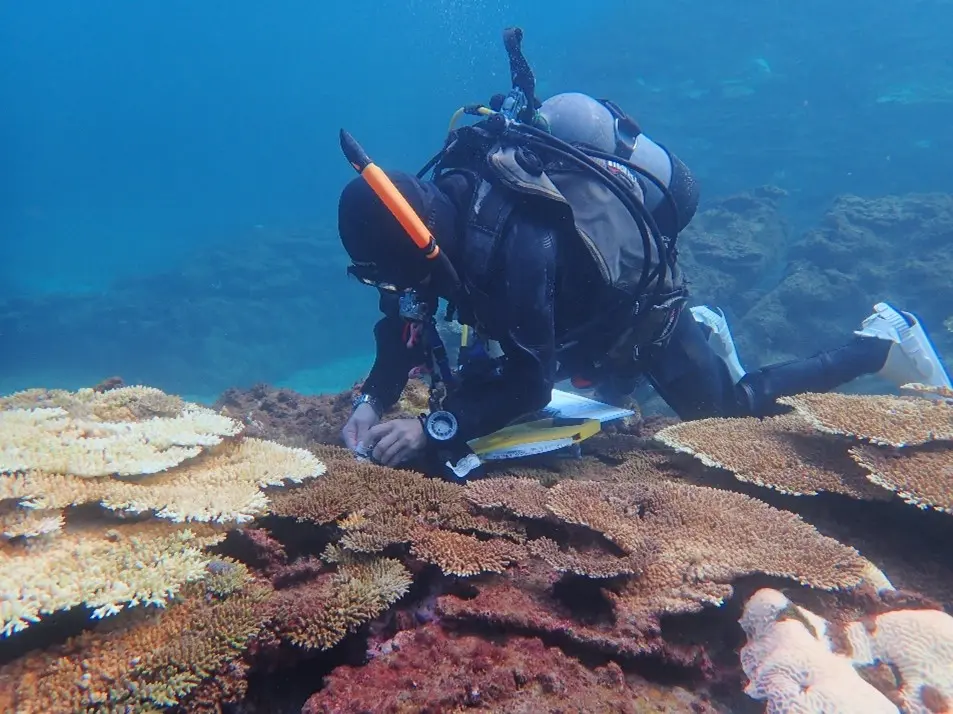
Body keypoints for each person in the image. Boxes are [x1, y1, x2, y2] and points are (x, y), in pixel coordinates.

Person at [336, 39, 951, 480]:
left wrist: (433, 428)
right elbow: (405, 321)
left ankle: (881, 344)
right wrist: (373, 398)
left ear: (422, 238)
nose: (392, 286)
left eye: (387, 274)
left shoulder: (520, 241)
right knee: (582, 385)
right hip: (571, 320)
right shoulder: (430, 218)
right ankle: (713, 334)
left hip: (635, 316)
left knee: (727, 417)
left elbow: (526, 382)